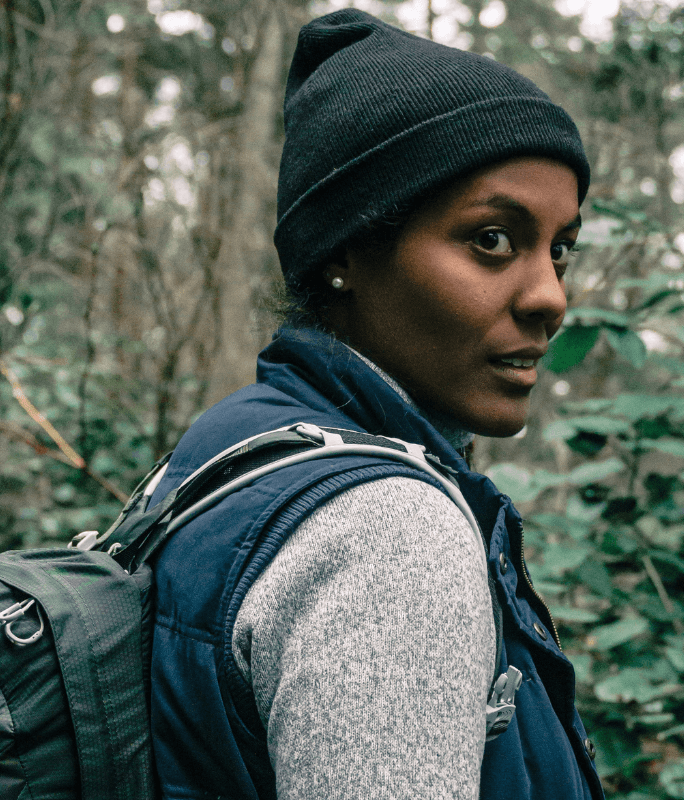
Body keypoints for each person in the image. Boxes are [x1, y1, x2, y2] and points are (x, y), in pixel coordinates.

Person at [146, 8, 603, 800]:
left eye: (559, 248)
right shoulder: (387, 531)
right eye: (493, 239)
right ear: (345, 252)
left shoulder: (233, 449)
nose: (550, 297)